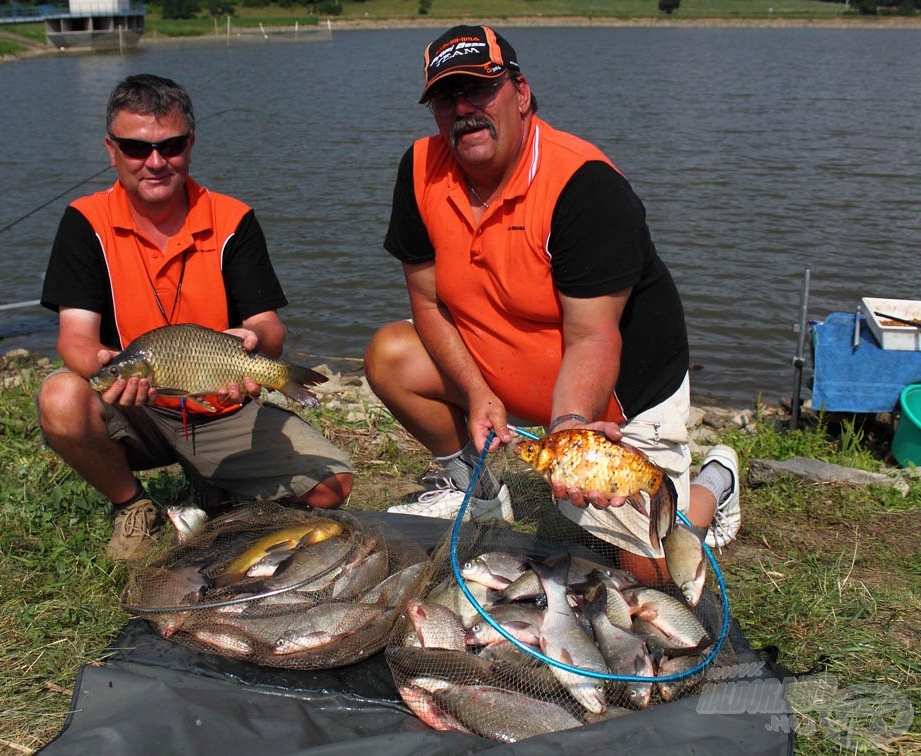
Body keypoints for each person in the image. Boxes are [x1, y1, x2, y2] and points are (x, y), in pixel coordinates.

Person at [364, 26, 740, 581]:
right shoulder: (419, 170)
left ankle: (714, 484)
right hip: (509, 368)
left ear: (520, 93)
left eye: (479, 90)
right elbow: (427, 303)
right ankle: (481, 493)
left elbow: (593, 338)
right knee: (390, 355)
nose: (464, 109)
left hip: (615, 393)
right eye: (447, 97)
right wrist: (476, 394)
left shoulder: (583, 185)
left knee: (654, 573)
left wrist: (569, 428)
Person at [38, 74, 354, 561]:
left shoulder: (232, 219)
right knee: (60, 396)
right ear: (111, 149)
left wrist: (253, 340)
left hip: (222, 403)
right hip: (136, 409)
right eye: (136, 148)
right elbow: (75, 338)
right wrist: (105, 362)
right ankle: (133, 506)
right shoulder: (86, 222)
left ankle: (213, 483)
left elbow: (269, 327)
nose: (156, 162)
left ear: (191, 143)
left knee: (334, 486)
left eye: (171, 145)